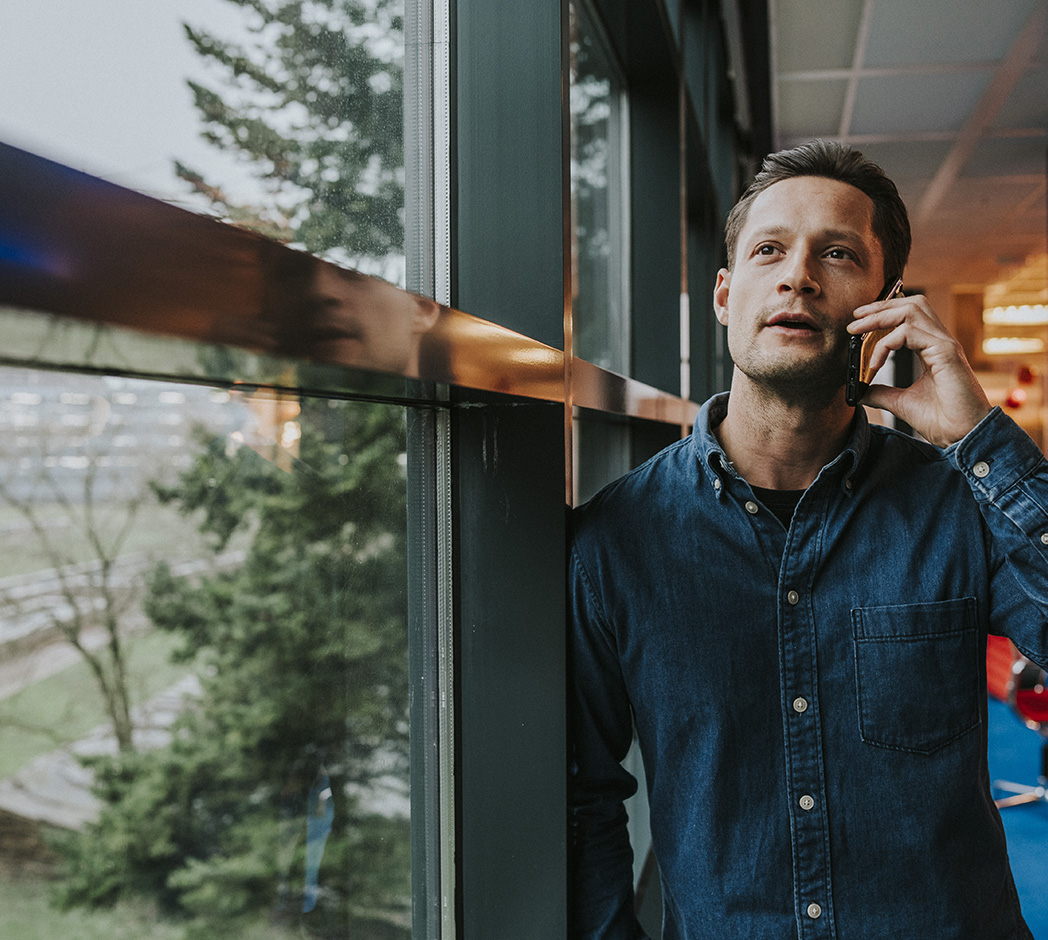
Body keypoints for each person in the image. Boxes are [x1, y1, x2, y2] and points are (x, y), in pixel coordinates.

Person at [569, 139, 1047, 940]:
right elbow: (580, 795)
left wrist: (981, 437)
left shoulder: (956, 505)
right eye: (769, 250)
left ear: (887, 306)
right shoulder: (615, 540)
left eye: (837, 253)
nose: (798, 276)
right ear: (726, 295)